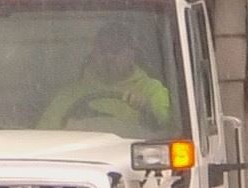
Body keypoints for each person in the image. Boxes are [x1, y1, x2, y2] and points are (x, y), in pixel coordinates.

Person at [37, 23, 171, 133]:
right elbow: (44, 135)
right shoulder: (70, 94)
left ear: (132, 54)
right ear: (93, 53)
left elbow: (168, 129)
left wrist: (146, 110)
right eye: (103, 50)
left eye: (116, 51)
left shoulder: (151, 90)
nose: (109, 57)